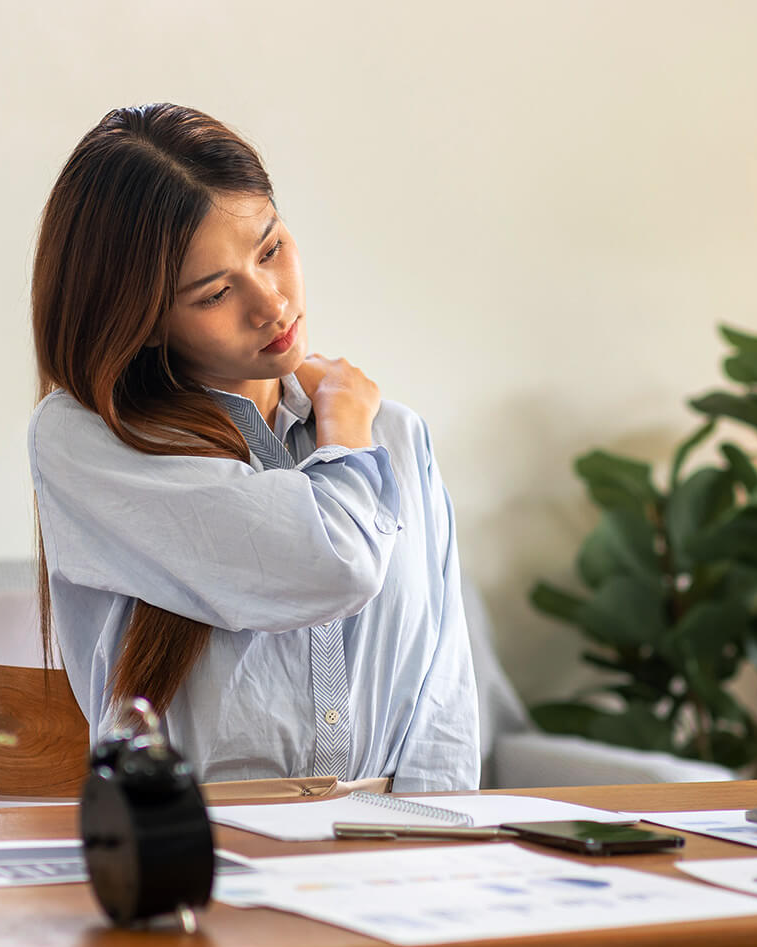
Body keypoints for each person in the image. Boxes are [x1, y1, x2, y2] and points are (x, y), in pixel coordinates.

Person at [25, 104, 479, 791]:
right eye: (214, 293)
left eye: (270, 249)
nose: (270, 304)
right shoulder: (85, 440)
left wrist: (438, 853)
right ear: (143, 321)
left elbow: (444, 704)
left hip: (389, 856)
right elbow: (334, 567)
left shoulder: (397, 434)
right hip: (199, 859)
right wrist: (348, 436)